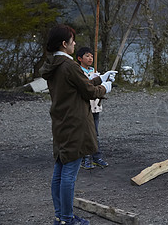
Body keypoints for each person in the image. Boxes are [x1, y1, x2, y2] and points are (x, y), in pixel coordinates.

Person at [40, 24, 116, 225]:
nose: (75, 44)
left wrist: (101, 77)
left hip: (61, 122)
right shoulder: (69, 65)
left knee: (59, 170)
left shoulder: (55, 65)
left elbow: (79, 85)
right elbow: (89, 91)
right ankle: (66, 219)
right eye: (72, 41)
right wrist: (105, 88)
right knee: (69, 174)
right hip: (75, 124)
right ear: (64, 44)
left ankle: (60, 216)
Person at [76, 47, 109, 170]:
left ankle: (96, 157)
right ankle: (85, 158)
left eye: (91, 56)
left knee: (95, 133)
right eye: (87, 56)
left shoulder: (95, 71)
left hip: (95, 107)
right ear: (80, 59)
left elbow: (100, 88)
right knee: (85, 133)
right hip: (84, 108)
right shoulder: (79, 72)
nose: (90, 58)